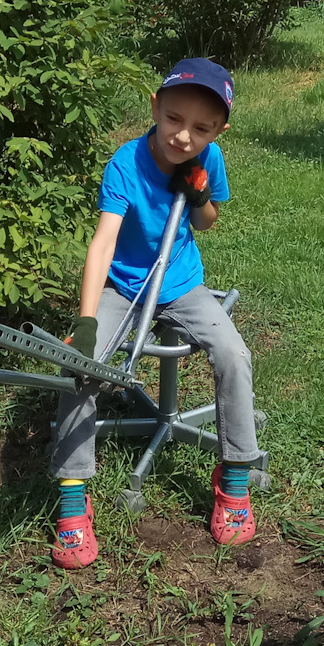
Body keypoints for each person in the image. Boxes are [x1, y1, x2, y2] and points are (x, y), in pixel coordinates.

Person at [48, 59, 261, 570]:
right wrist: (86, 322)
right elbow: (102, 244)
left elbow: (207, 221)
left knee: (233, 353)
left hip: (180, 284)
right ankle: (74, 497)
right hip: (124, 285)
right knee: (82, 366)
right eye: (174, 120)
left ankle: (233, 478)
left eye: (202, 128)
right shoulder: (125, 163)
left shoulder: (209, 157)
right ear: (155, 109)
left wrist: (200, 194)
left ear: (219, 130)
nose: (184, 137)